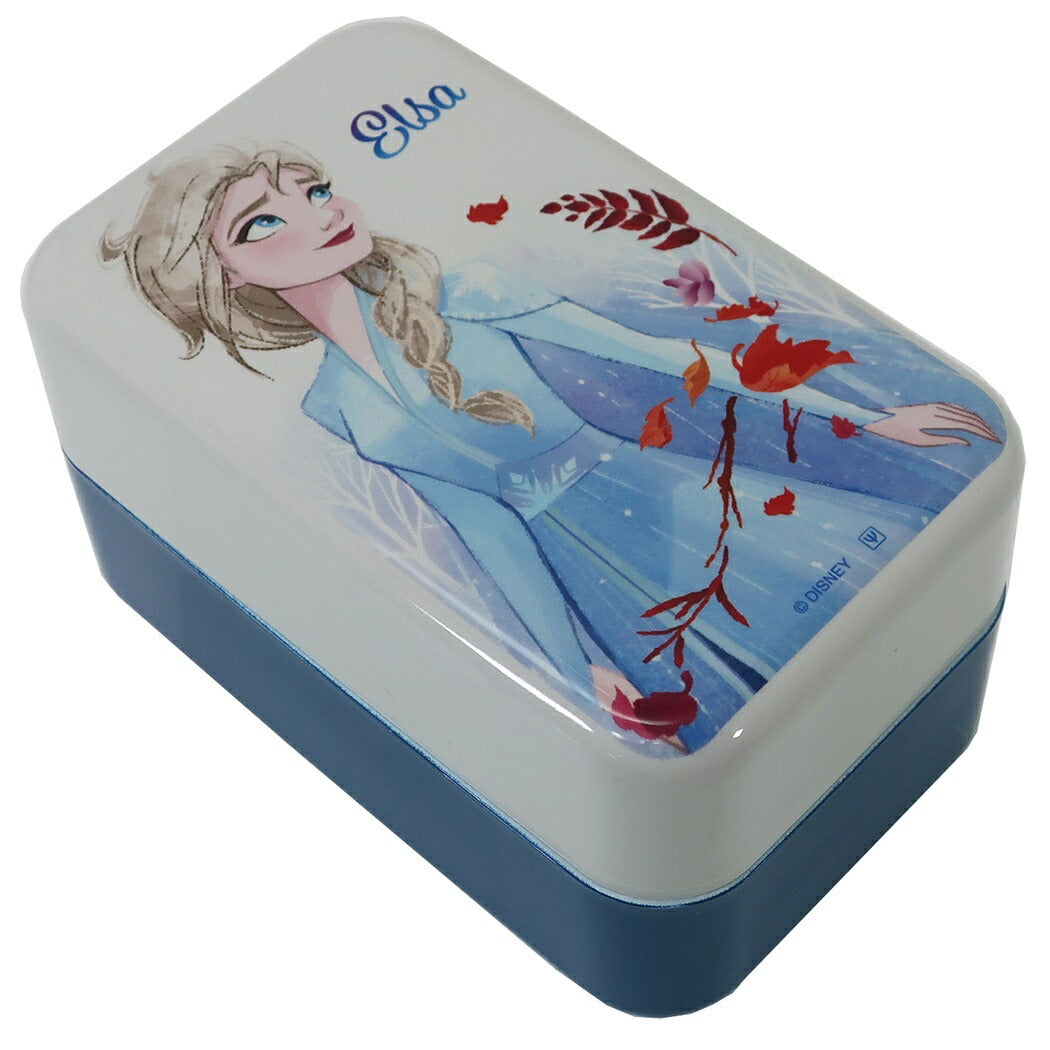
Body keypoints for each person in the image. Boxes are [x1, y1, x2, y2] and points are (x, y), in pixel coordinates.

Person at [100, 145, 1000, 752]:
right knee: (711, 726)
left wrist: (863, 417)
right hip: (590, 587)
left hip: (679, 505)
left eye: (315, 188)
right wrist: (576, 670)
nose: (318, 214)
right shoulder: (332, 405)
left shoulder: (469, 289)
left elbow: (670, 357)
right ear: (223, 278)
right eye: (262, 223)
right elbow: (488, 527)